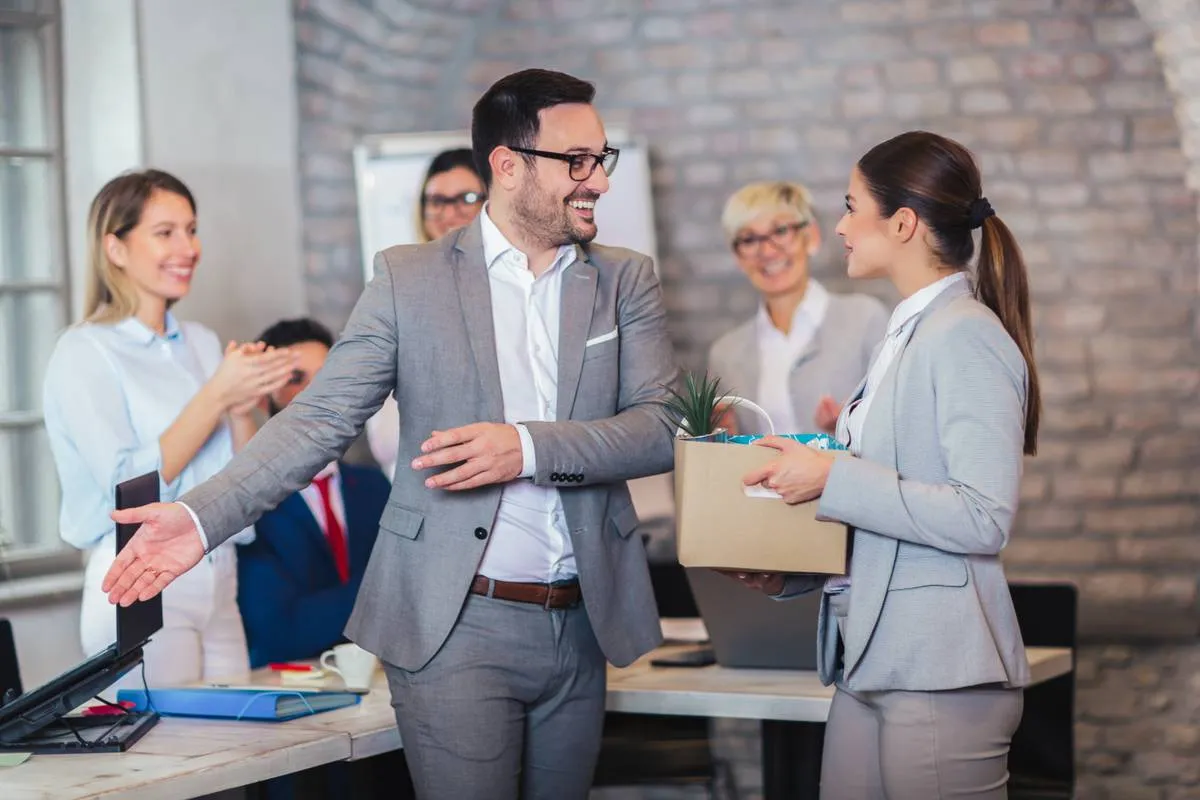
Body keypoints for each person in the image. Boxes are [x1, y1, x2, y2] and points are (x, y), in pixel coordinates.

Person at [102, 69, 679, 800]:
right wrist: (199, 516)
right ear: (508, 165)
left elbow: (660, 429)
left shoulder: (626, 280)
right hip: (454, 622)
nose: (596, 179)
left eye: (602, 159)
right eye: (577, 161)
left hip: (585, 621)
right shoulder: (411, 280)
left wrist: (525, 446)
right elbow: (321, 417)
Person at [735, 131, 1041, 799]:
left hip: (940, 667)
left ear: (902, 223)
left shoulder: (965, 335)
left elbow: (981, 517)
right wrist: (790, 570)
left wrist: (830, 477)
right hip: (867, 658)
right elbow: (886, 510)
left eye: (850, 207)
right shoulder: (909, 332)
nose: (839, 227)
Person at [42, 169, 296, 685]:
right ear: (115, 248)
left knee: (237, 756)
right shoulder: (84, 351)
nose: (189, 247)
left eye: (192, 229)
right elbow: (125, 489)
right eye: (165, 232)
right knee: (166, 761)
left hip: (219, 579)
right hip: (139, 584)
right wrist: (215, 396)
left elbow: (237, 494)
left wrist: (240, 407)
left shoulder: (202, 342)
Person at [236, 318, 390, 668]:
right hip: (289, 691)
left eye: (327, 375)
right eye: (295, 379)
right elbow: (280, 632)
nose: (316, 391)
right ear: (263, 399)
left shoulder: (373, 486)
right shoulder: (252, 506)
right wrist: (379, 594)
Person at [708, 181, 887, 435]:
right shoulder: (725, 354)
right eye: (749, 239)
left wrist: (849, 426)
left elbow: (901, 425)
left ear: (811, 236)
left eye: (780, 231)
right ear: (738, 256)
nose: (767, 251)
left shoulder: (865, 319)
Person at [367, 149, 488, 478]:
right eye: (435, 200)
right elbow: (385, 440)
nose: (449, 212)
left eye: (465, 197)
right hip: (417, 478)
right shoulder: (400, 288)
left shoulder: (517, 284)